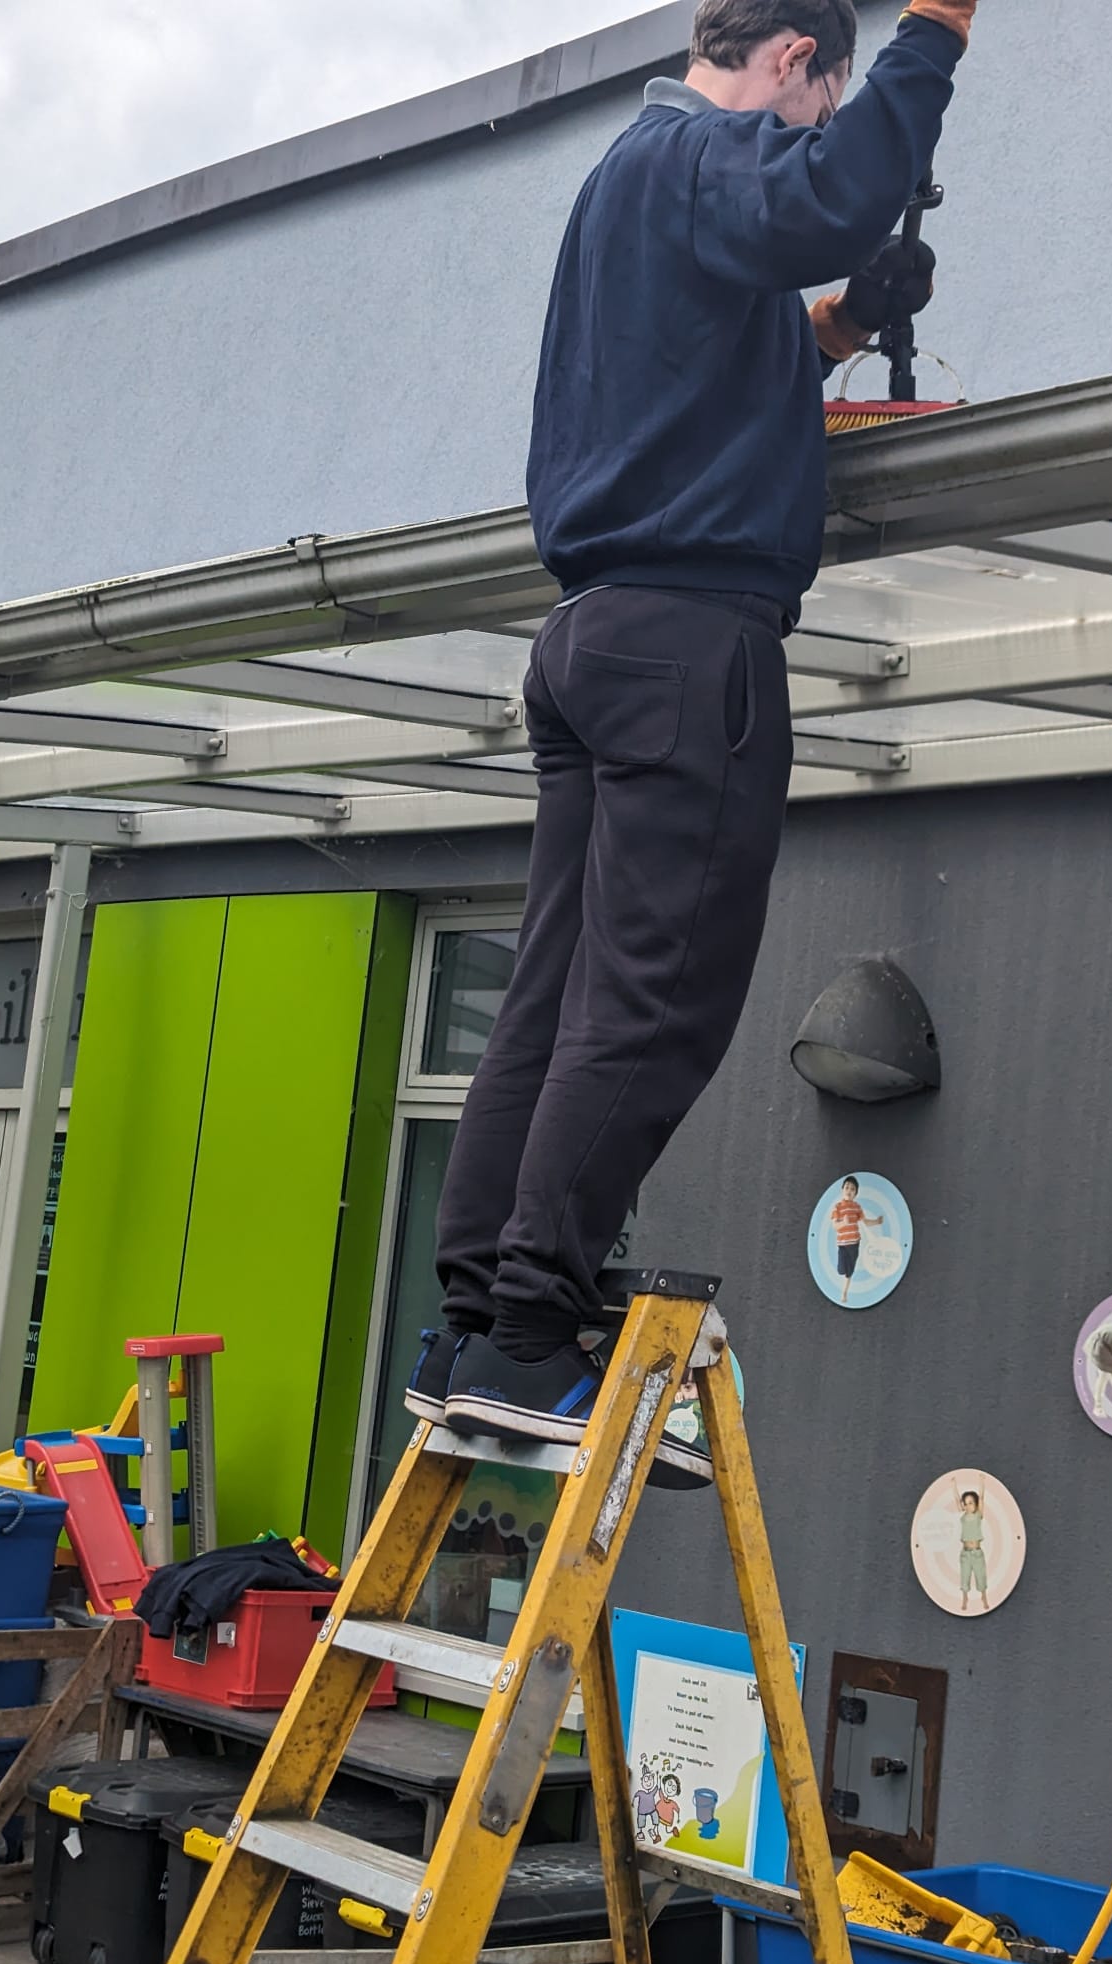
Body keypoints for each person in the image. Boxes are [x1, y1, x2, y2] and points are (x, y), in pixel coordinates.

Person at [401, 0, 978, 1468]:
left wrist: (842, 327)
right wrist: (932, 33)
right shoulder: (695, 149)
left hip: (594, 635)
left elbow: (706, 361)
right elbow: (834, 190)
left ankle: (479, 1327)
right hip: (685, 640)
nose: (804, 139)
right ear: (790, 64)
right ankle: (534, 1335)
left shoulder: (624, 189)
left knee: (555, 993)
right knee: (653, 1001)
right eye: (817, 101)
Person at [830, 1175, 885, 1305]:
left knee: (849, 1272)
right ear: (842, 1189)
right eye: (847, 1187)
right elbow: (835, 1226)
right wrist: (843, 1223)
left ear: (855, 1193)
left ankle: (844, 1293)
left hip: (854, 1243)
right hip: (842, 1244)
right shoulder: (837, 1207)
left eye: (852, 1189)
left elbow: (865, 1222)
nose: (849, 1191)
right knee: (841, 1270)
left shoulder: (856, 1207)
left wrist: (877, 1222)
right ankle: (844, 1282)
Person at [952, 1476, 988, 1613]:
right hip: (965, 1553)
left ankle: (984, 1597)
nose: (967, 1506)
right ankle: (965, 1598)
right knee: (965, 1577)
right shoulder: (963, 1516)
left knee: (981, 1576)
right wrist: (954, 1485)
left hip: (977, 1553)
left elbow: (982, 1497)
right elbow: (956, 1500)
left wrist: (981, 1482)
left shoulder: (979, 1514)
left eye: (971, 1503)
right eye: (965, 1503)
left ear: (976, 1504)